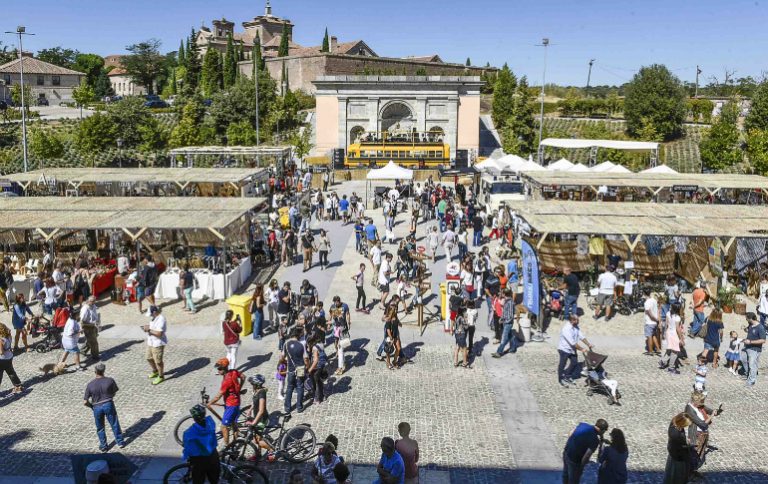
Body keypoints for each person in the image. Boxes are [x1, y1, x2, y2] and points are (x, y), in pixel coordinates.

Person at [84, 363, 126, 452]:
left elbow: (85, 402)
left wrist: (92, 406)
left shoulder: (90, 384)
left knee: (100, 427)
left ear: (95, 371)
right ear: (104, 371)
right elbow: (114, 392)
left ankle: (104, 446)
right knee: (114, 423)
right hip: (108, 404)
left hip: (96, 407)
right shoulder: (110, 380)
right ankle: (120, 442)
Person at [208, 357, 244, 446]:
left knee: (224, 426)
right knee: (233, 423)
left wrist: (210, 403)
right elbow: (243, 377)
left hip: (231, 404)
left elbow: (218, 396)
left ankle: (227, 446)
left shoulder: (227, 381)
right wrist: (239, 388)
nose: (218, 370)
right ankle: (235, 441)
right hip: (236, 400)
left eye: (220, 369)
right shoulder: (234, 372)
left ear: (225, 368)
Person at [685, 391, 722, 474]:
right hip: (696, 434)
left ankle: (694, 471)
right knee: (694, 454)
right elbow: (703, 424)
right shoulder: (689, 409)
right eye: (701, 402)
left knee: (700, 453)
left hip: (703, 433)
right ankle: (689, 472)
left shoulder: (700, 405)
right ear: (695, 402)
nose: (703, 403)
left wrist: (718, 411)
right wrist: (711, 416)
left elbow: (711, 411)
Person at [182, 404, 220, 484]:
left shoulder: (189, 432)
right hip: (213, 456)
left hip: (199, 460)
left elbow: (188, 448)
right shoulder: (211, 422)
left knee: (198, 479)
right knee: (214, 479)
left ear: (194, 418)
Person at [562, 419, 609, 484]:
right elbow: (587, 456)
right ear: (603, 430)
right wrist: (581, 468)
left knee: (565, 474)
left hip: (566, 451)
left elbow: (570, 434)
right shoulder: (595, 440)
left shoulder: (583, 425)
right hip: (574, 460)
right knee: (573, 480)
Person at [557, 315, 593, 387]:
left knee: (574, 363)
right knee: (562, 364)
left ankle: (567, 375)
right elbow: (572, 343)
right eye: (576, 320)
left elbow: (581, 336)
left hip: (572, 350)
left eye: (578, 320)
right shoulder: (566, 329)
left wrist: (588, 344)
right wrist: (582, 349)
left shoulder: (576, 327)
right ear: (571, 320)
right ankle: (560, 379)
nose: (577, 321)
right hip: (564, 349)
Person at [245, 374, 275, 461]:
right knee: (256, 437)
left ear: (256, 384)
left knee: (257, 440)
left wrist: (254, 423)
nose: (251, 385)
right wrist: (250, 409)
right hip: (257, 417)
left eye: (252, 384)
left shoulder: (261, 393)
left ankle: (271, 450)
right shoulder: (257, 391)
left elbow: (261, 410)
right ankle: (258, 454)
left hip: (262, 419)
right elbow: (255, 402)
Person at [284, 328, 310, 414]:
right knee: (300, 387)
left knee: (289, 387)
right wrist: (308, 367)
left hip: (290, 370)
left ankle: (287, 408)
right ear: (298, 335)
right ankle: (299, 407)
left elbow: (282, 356)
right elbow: (305, 358)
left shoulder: (286, 344)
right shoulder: (301, 345)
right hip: (300, 369)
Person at [663, 413, 693, 484]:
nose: (686, 426)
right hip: (678, 456)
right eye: (686, 425)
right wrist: (688, 445)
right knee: (678, 475)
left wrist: (685, 440)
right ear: (681, 423)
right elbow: (680, 447)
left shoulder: (675, 421)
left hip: (676, 452)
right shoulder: (675, 434)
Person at [142, 306, 167, 385]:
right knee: (148, 357)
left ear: (154, 312)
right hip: (151, 342)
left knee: (158, 361)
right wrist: (147, 327)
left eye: (150, 314)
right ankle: (155, 371)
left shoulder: (161, 319)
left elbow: (159, 334)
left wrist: (149, 330)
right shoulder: (154, 318)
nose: (150, 316)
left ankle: (161, 376)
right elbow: (154, 328)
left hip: (158, 343)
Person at [492, 289, 518, 358]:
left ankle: (499, 352)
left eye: (502, 293)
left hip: (508, 323)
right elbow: (505, 312)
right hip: (506, 322)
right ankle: (513, 348)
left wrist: (505, 321)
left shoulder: (510, 302)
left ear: (504, 294)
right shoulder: (507, 301)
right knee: (510, 336)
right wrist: (501, 318)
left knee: (504, 338)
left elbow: (510, 315)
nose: (501, 294)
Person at [659, 304, 684, 374]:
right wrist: (681, 338)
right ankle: (671, 367)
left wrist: (664, 333)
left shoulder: (668, 313)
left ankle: (663, 361)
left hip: (668, 332)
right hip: (674, 334)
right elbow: (677, 329)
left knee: (669, 349)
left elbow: (666, 324)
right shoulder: (677, 317)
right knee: (675, 351)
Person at [742, 311, 765, 387]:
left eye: (746, 318)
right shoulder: (750, 324)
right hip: (747, 347)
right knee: (743, 360)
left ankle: (751, 380)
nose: (746, 319)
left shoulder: (760, 327)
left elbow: (763, 340)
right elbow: (749, 330)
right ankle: (749, 374)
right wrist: (745, 329)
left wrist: (750, 342)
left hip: (755, 349)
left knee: (752, 365)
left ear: (750, 318)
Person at [0, 323, 23, 394]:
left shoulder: (1, 340)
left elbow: (1, 352)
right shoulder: (9, 336)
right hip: (9, 357)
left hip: (2, 359)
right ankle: (18, 385)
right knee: (11, 372)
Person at [307, 333, 328, 405]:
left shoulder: (314, 348)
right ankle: (322, 396)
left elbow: (315, 360)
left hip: (316, 367)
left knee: (316, 383)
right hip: (322, 365)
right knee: (319, 381)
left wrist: (310, 370)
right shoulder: (321, 344)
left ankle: (317, 399)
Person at [80, 296, 101, 361]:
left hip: (94, 326)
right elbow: (82, 321)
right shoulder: (85, 309)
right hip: (88, 327)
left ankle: (83, 350)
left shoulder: (93, 306)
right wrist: (83, 328)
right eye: (91, 301)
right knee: (94, 342)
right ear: (88, 301)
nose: (93, 302)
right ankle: (95, 356)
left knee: (90, 340)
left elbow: (95, 314)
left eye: (94, 301)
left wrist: (97, 323)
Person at [643, 289, 661, 356]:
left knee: (649, 336)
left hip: (649, 322)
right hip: (654, 323)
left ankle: (650, 351)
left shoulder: (647, 303)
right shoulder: (654, 300)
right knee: (653, 336)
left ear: (644, 294)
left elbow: (649, 313)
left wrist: (655, 319)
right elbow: (657, 310)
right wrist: (657, 320)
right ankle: (658, 349)